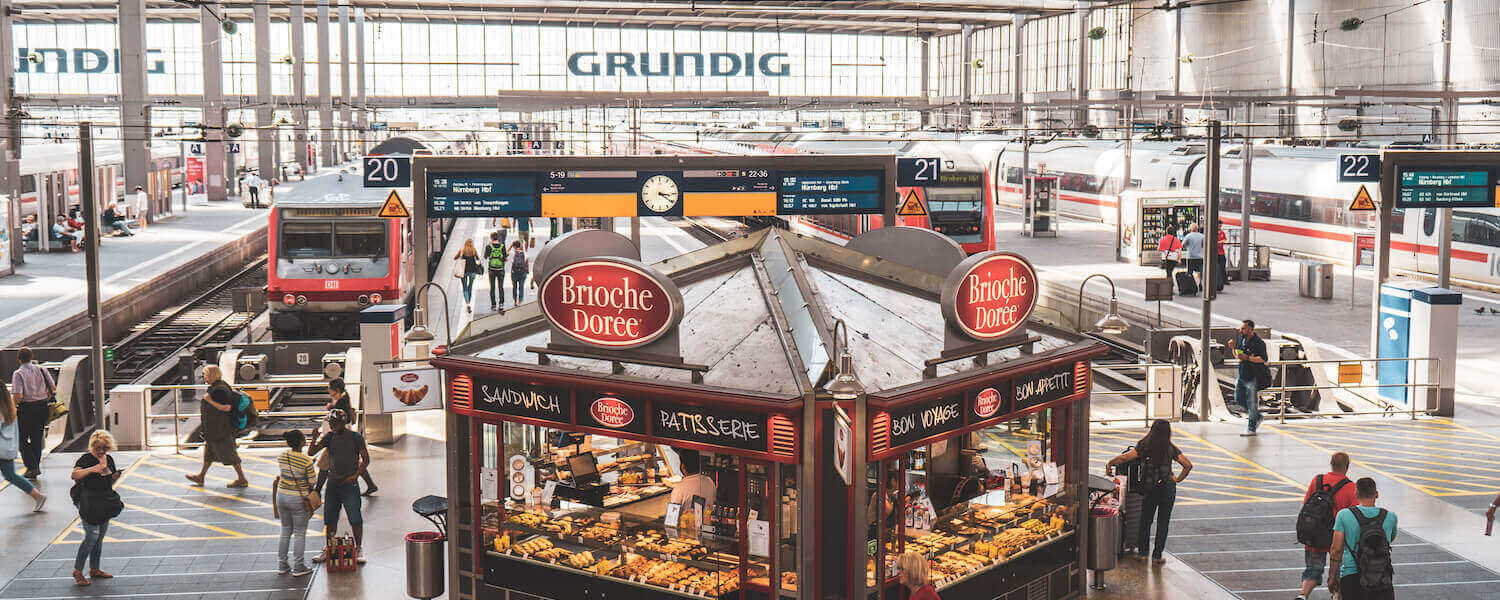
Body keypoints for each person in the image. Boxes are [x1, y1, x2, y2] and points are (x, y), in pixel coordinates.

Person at [1106, 419, 1193, 564]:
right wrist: (1177, 479)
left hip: (1151, 489)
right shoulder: (1170, 448)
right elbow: (1187, 465)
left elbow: (1125, 457)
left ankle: (1142, 553)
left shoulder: (1144, 446)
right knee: (1163, 523)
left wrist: (1110, 462)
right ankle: (1157, 556)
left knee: (1145, 521)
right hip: (1167, 488)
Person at [1297, 452, 1358, 600]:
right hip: (1336, 536)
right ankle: (1336, 595)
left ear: (1331, 463)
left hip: (1314, 534)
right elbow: (1355, 514)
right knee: (1339, 571)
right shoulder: (1350, 487)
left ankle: (1303, 595)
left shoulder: (1317, 480)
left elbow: (1306, 504)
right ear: (1347, 466)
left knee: (1312, 569)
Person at [312, 409, 370, 565]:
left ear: (344, 423)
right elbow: (312, 452)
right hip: (333, 485)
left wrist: (356, 475)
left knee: (355, 518)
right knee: (330, 519)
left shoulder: (355, 437)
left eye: (335, 423)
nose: (332, 426)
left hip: (349, 484)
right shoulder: (329, 437)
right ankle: (329, 548)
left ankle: (358, 549)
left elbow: (366, 459)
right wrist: (314, 439)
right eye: (331, 423)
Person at [1329, 478, 1397, 600]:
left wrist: (1332, 577)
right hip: (1381, 576)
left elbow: (1336, 550)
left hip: (1351, 576)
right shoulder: (1390, 517)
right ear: (1376, 494)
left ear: (1356, 494)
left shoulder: (1343, 515)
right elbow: (1389, 540)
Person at [71, 430, 122, 587]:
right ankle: (78, 570)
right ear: (92, 446)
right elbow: (75, 475)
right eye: (97, 448)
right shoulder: (86, 459)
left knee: (100, 536)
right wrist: (93, 469)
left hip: (103, 499)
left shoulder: (109, 459)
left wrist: (113, 477)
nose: (100, 451)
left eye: (104, 449)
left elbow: (108, 482)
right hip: (87, 499)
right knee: (92, 535)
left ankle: (94, 568)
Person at [185, 365, 249, 488]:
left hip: (221, 429)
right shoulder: (217, 387)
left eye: (205, 374)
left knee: (230, 454)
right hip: (214, 429)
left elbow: (227, 407)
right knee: (209, 454)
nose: (204, 377)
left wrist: (209, 401)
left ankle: (242, 478)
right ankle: (201, 476)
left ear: (211, 375)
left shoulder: (220, 390)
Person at [316, 378, 376, 496]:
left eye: (330, 388)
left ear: (336, 390)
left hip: (339, 438)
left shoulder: (340, 403)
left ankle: (317, 490)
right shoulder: (344, 398)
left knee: (324, 463)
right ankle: (370, 484)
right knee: (356, 462)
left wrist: (330, 409)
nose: (328, 390)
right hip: (344, 437)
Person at [275, 430, 317, 577]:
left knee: (285, 529)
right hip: (297, 499)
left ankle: (282, 565)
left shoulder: (282, 456)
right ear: (301, 442)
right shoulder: (306, 461)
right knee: (299, 532)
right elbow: (312, 482)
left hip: (281, 496)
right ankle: (298, 567)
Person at [0, 382, 47, 511]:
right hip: (6, 449)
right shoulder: (9, 409)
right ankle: (37, 496)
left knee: (10, 475)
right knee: (11, 475)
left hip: (1, 450)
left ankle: (38, 496)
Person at [11, 347, 56, 480]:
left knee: (21, 438)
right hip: (42, 406)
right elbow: (52, 387)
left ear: (19, 359)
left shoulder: (18, 374)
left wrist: (13, 408)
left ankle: (32, 467)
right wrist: (43, 397)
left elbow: (18, 395)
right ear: (32, 357)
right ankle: (34, 467)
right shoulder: (42, 369)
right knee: (37, 437)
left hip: (26, 408)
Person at [1225, 319, 1269, 437]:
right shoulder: (1242, 340)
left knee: (1252, 403)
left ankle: (1251, 428)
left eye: (1243, 328)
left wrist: (1248, 358)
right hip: (1242, 375)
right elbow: (1238, 356)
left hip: (1252, 376)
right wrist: (1233, 348)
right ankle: (1257, 416)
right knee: (1239, 399)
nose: (1241, 330)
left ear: (1251, 329)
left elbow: (1263, 359)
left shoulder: (1259, 343)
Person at [669, 449, 716, 514]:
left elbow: (672, 515)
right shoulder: (710, 482)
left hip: (688, 523)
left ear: (682, 466)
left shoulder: (680, 488)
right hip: (707, 522)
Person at [483, 231, 509, 312]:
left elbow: (485, 257)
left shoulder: (488, 246)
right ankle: (501, 304)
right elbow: (505, 258)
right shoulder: (502, 246)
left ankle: (493, 305)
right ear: (497, 237)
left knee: (492, 287)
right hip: (501, 269)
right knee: (501, 287)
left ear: (491, 238)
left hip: (492, 269)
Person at [454, 238, 482, 313]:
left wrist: (460, 256)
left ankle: (467, 304)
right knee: (470, 286)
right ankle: (468, 303)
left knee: (465, 287)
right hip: (473, 271)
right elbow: (478, 259)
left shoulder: (462, 250)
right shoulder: (474, 250)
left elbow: (455, 258)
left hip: (464, 271)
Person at [1180, 222, 1206, 293]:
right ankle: (1200, 283)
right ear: (1197, 229)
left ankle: (1191, 285)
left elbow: (1182, 245)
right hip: (1200, 256)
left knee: (1190, 272)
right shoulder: (1202, 236)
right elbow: (1204, 245)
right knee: (1199, 271)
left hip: (1190, 257)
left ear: (1190, 229)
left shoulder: (1188, 236)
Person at [509, 240, 530, 306]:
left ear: (514, 246)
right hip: (522, 272)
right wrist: (527, 271)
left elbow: (506, 253)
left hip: (514, 272)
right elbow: (527, 262)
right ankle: (520, 301)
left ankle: (515, 300)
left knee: (514, 286)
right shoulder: (525, 253)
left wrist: (510, 246)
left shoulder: (512, 253)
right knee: (521, 286)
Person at [1215, 225, 1229, 291]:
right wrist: (1221, 242)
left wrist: (1222, 241)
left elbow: (1225, 240)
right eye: (1219, 226)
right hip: (1216, 253)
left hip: (1221, 252)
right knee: (1217, 267)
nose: (1220, 227)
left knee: (1222, 266)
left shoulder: (1222, 233)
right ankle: (1218, 281)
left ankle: (1224, 280)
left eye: (1221, 226)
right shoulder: (1214, 232)